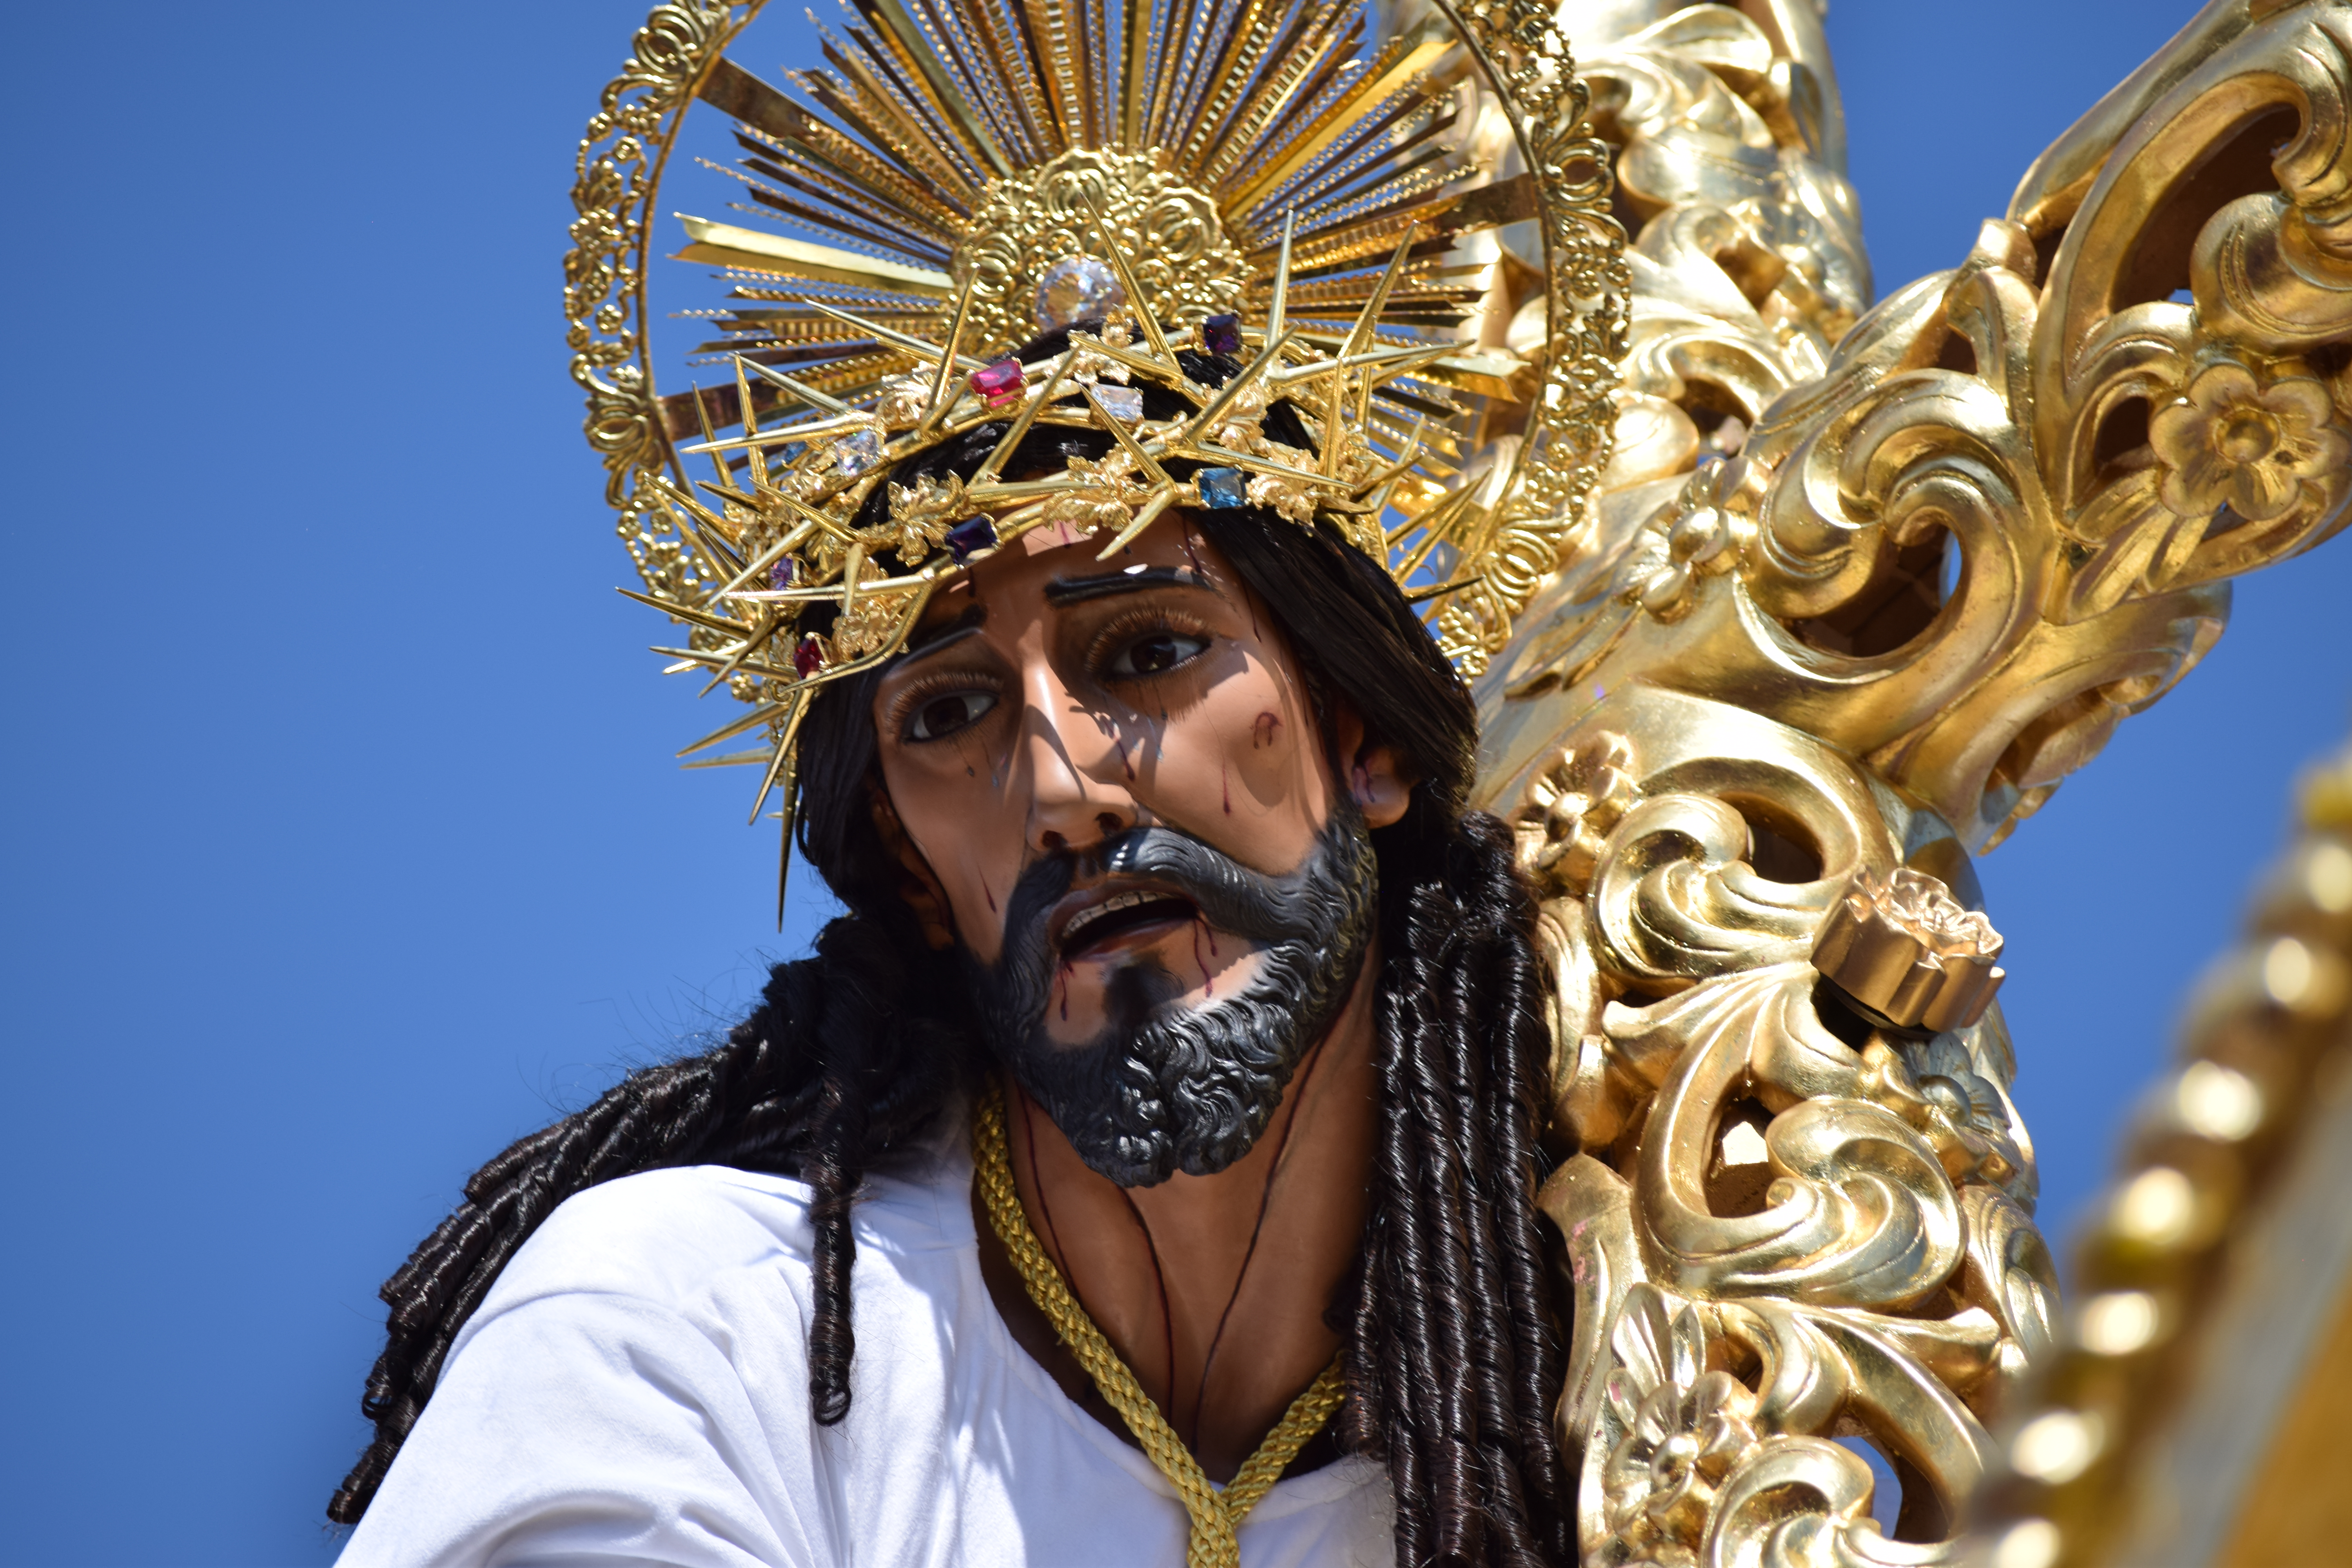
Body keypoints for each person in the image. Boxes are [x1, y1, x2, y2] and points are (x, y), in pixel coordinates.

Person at [329, 325, 1575, 1568]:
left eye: (1152, 652)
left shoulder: (1591, 1380)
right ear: (916, 871)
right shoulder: (684, 1327)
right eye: (951, 712)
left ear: (1365, 744)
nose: (1061, 787)